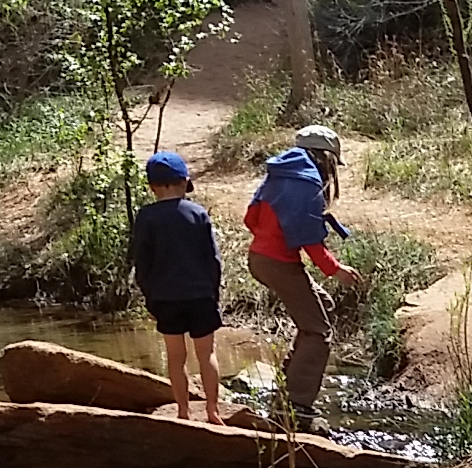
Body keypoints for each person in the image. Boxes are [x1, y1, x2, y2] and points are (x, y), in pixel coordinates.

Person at [246, 124, 362, 433]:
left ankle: (287, 390)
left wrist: (272, 239)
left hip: (259, 258)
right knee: (318, 332)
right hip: (277, 263)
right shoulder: (307, 181)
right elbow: (310, 240)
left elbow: (251, 217)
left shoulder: (279, 173)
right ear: (326, 158)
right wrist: (335, 270)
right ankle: (295, 409)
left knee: (320, 306)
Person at [130, 151, 225, 420]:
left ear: (152, 187)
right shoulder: (198, 213)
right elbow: (213, 259)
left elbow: (143, 261)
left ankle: (183, 411)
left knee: (175, 357)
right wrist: (212, 291)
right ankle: (213, 410)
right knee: (207, 354)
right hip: (199, 295)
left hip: (165, 298)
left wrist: (149, 296)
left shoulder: (146, 217)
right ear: (184, 182)